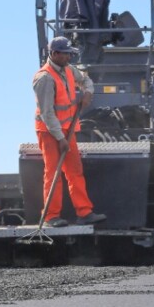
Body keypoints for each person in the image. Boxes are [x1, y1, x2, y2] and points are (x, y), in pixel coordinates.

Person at [33, 37, 106, 227]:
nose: (69, 57)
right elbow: (47, 113)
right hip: (50, 132)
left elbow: (85, 79)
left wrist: (88, 92)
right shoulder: (44, 78)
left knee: (75, 171)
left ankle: (84, 212)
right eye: (65, 53)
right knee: (53, 174)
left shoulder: (68, 70)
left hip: (68, 130)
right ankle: (51, 216)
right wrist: (59, 137)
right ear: (54, 53)